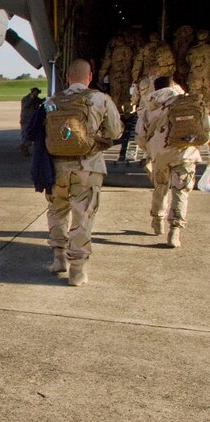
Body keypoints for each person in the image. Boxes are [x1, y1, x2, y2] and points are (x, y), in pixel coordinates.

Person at [44, 59, 123, 286]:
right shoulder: (100, 99)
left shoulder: (50, 102)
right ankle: (76, 270)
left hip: (56, 169)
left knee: (57, 211)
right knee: (83, 216)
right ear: (90, 77)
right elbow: (115, 131)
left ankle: (59, 258)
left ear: (67, 77)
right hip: (87, 167)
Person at [135, 76, 208, 248]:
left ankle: (157, 220)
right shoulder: (184, 102)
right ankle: (175, 231)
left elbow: (140, 137)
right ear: (173, 85)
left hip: (159, 154)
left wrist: (150, 149)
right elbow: (205, 126)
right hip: (184, 152)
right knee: (181, 191)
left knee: (160, 187)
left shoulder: (148, 107)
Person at [19, 87, 43, 155]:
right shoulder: (26, 98)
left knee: (30, 134)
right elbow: (25, 105)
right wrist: (31, 97)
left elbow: (41, 101)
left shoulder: (36, 99)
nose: (37, 95)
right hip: (26, 119)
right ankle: (24, 146)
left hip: (32, 119)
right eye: (36, 93)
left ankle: (26, 146)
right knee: (25, 133)